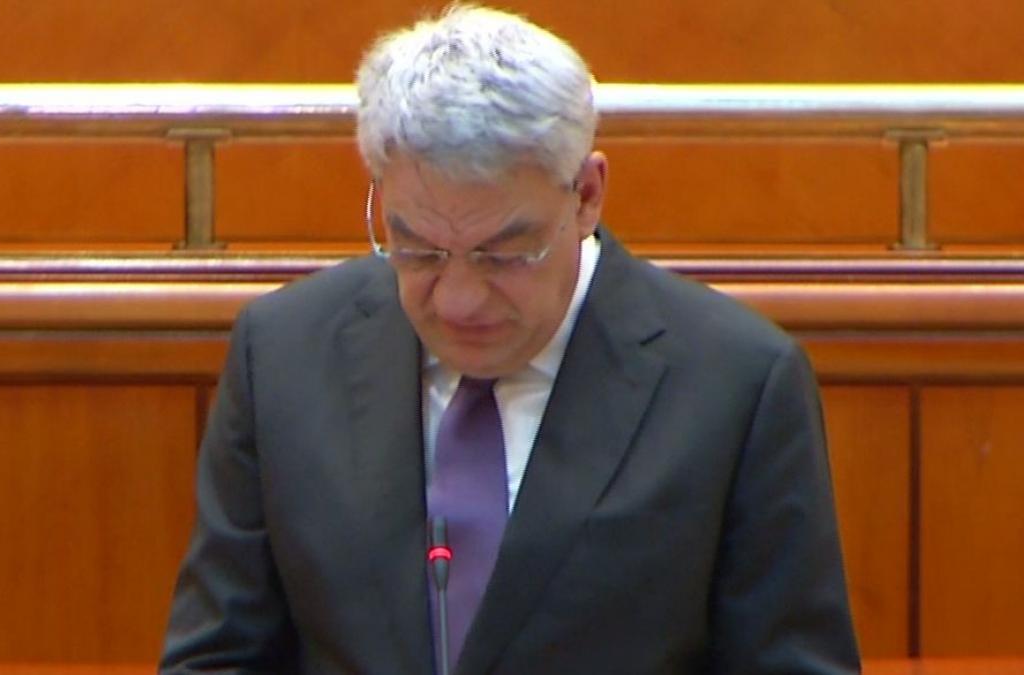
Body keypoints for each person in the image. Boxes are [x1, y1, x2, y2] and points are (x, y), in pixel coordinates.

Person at [161, 5, 860, 674]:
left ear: (586, 195)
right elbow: (217, 656)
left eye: (504, 253)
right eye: (419, 250)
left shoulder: (737, 384)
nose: (458, 299)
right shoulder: (282, 356)